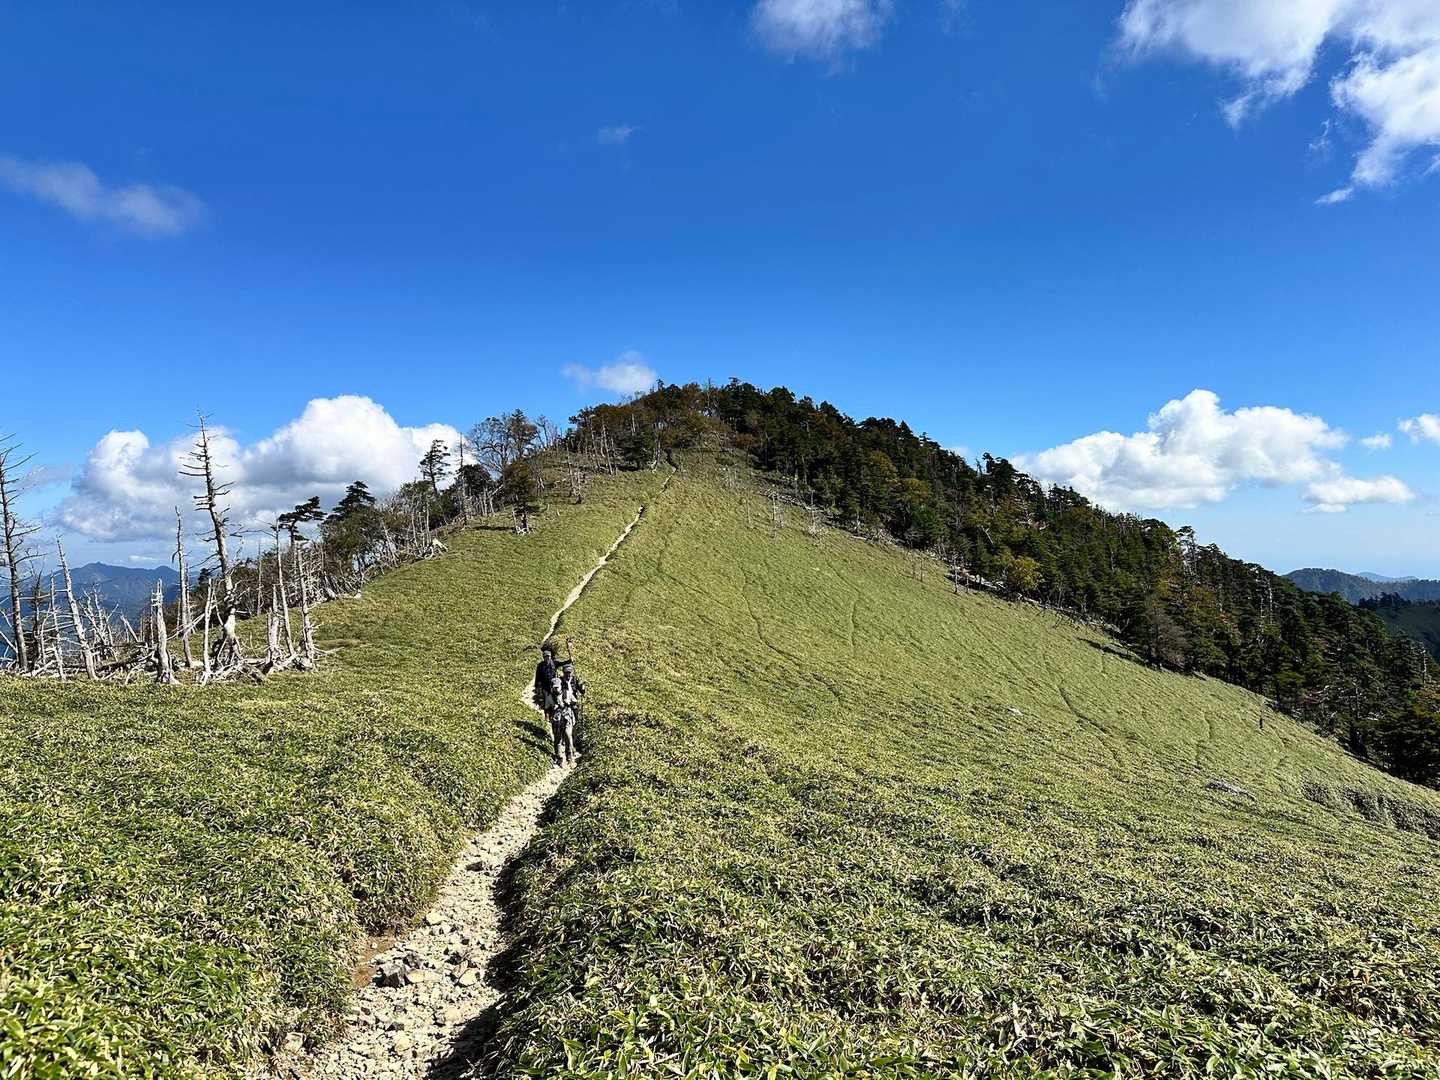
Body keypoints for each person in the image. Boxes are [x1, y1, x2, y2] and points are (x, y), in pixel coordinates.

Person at [545, 673, 578, 765]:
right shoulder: (549, 696)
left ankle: (569, 755)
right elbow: (546, 708)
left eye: (557, 687)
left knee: (568, 735)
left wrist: (569, 703)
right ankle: (559, 757)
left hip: (567, 718)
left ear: (560, 686)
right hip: (556, 720)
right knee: (558, 739)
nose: (556, 689)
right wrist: (551, 711)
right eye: (554, 688)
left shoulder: (567, 693)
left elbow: (575, 702)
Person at [533, 645, 558, 714]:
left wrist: (569, 661)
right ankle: (546, 713)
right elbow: (537, 676)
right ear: (544, 658)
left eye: (548, 657)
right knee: (545, 700)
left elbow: (562, 663)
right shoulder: (540, 665)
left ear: (550, 657)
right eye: (546, 657)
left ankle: (553, 713)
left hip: (552, 685)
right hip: (544, 685)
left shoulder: (554, 663)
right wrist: (537, 686)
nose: (547, 658)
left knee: (554, 699)